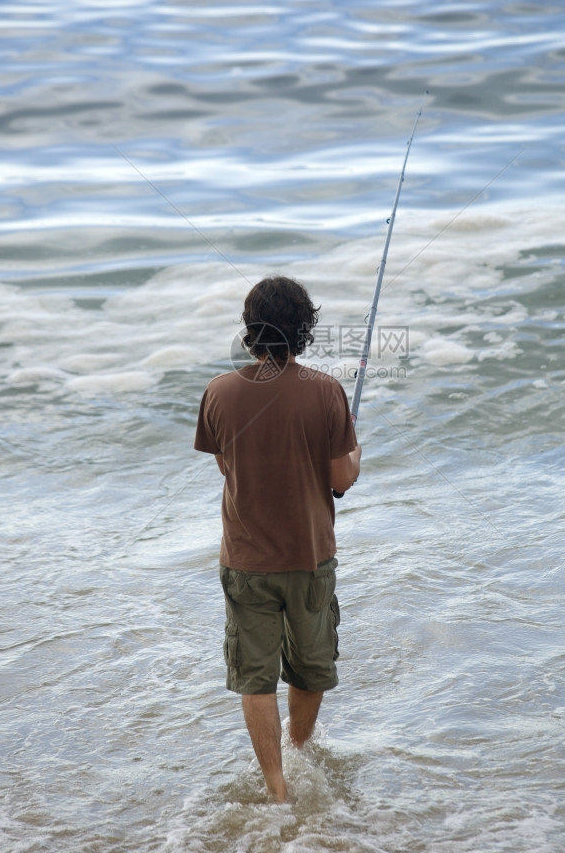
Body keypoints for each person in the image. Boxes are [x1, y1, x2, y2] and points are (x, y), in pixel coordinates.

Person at [194, 275, 361, 802]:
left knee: (254, 677)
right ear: (303, 329)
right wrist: (354, 449)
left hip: (245, 561)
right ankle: (298, 747)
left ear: (250, 329)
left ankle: (276, 787)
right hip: (309, 558)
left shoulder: (219, 391)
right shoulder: (327, 391)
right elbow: (341, 481)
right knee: (312, 668)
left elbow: (227, 465)